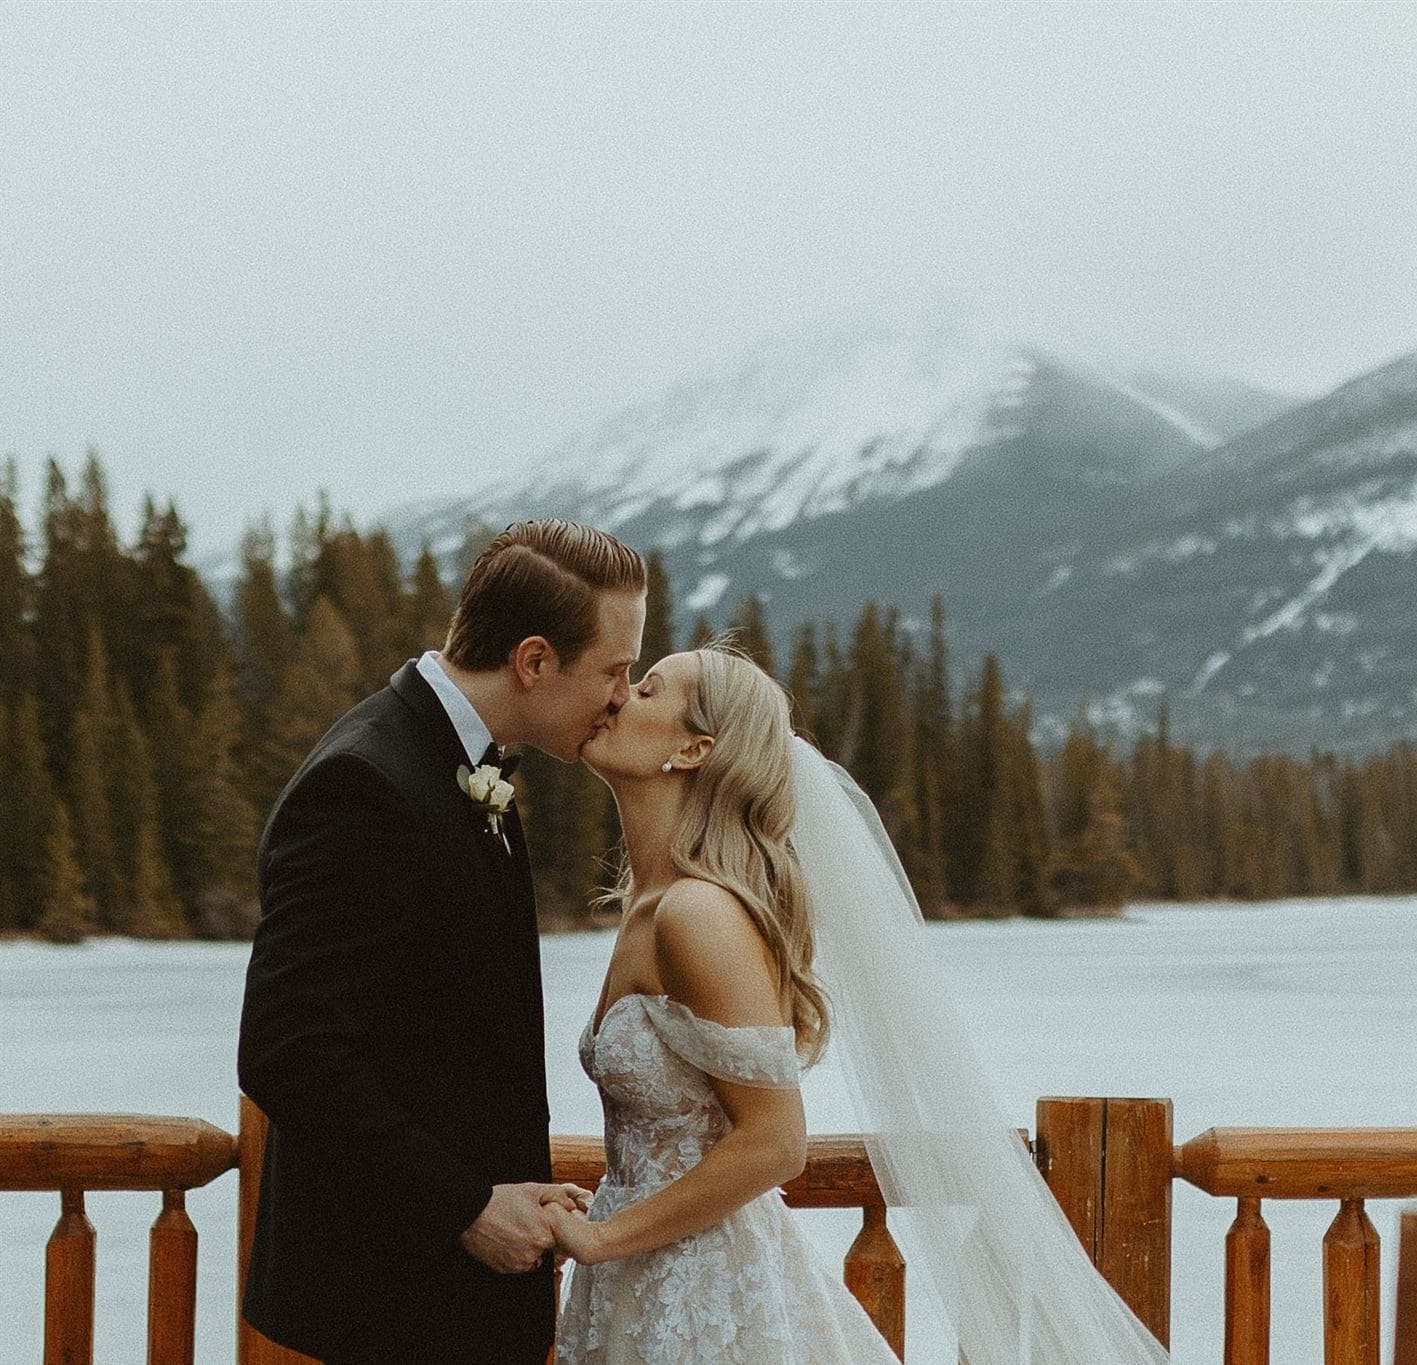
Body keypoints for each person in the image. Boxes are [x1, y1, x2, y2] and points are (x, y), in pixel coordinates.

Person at [550, 646, 1171, 1365]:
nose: (620, 695)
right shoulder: (646, 905)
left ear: (693, 747)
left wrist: (602, 1238)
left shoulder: (697, 912)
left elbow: (774, 1142)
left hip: (707, 1292)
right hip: (643, 1273)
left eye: (648, 688)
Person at [237, 520, 646, 1364]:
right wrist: (463, 1205)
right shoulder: (365, 782)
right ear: (533, 660)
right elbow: (288, 1051)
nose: (622, 695)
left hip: (450, 1303)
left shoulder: (465, 763)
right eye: (614, 670)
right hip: (391, 1304)